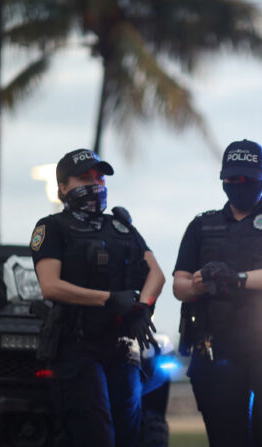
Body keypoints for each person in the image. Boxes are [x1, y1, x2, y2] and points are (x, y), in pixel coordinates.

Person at [173, 139, 262, 447]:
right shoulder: (201, 225)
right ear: (222, 178)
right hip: (218, 350)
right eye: (232, 178)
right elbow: (179, 286)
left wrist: (237, 278)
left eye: (248, 178)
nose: (239, 185)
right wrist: (199, 283)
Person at [30, 148, 165, 446]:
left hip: (121, 345)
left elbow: (156, 273)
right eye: (83, 178)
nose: (95, 184)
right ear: (63, 187)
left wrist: (143, 305)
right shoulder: (51, 228)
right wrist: (108, 298)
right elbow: (50, 286)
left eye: (99, 177)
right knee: (96, 433)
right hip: (76, 347)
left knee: (128, 433)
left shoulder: (121, 226)